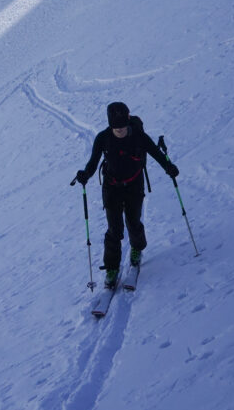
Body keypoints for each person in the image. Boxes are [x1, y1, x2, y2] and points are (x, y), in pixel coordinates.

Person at [74, 101, 179, 287]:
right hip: (111, 187)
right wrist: (85, 175)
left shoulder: (138, 135)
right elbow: (92, 163)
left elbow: (155, 152)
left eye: (123, 126)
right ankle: (112, 268)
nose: (120, 130)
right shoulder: (103, 138)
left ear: (128, 121)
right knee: (114, 229)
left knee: (133, 221)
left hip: (133, 185)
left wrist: (168, 167)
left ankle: (137, 248)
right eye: (116, 127)